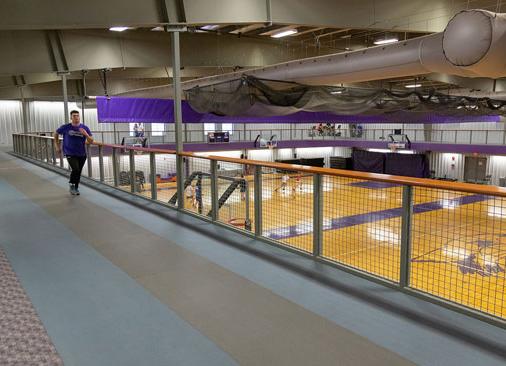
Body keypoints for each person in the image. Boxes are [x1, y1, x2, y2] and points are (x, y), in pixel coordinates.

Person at [54, 110, 93, 195]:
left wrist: (86, 134)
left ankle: (76, 188)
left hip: (81, 153)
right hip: (69, 152)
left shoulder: (84, 128)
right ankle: (71, 184)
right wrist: (57, 145)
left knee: (78, 171)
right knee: (75, 169)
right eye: (74, 116)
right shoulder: (65, 127)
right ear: (71, 117)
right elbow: (56, 133)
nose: (76, 117)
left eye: (77, 116)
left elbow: (91, 141)